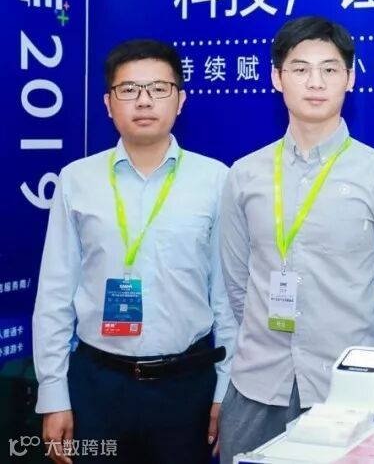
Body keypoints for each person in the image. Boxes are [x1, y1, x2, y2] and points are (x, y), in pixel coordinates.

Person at [218, 16, 374, 462]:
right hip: (257, 385)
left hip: (348, 391)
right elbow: (236, 283)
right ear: (276, 78)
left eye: (329, 69)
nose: (315, 82)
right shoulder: (245, 175)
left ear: (350, 78)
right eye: (300, 68)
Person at [33, 39, 236, 464]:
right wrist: (53, 396)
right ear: (108, 104)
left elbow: (227, 297)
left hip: (187, 387)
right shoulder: (76, 180)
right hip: (96, 386)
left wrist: (225, 387)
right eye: (128, 90)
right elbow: (55, 294)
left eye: (159, 89)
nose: (144, 101)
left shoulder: (216, 180)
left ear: (180, 100)